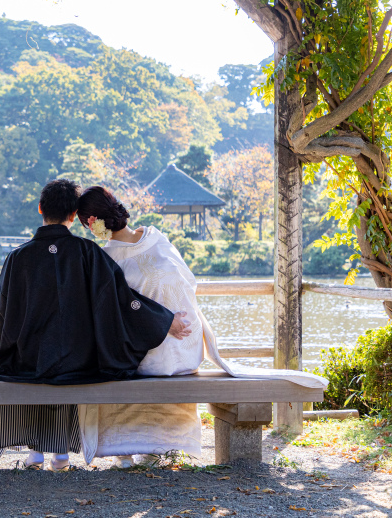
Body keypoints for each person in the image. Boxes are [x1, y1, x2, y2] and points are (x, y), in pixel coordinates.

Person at [74, 186, 328, 468]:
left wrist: (165, 323)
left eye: (85, 223)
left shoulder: (109, 257)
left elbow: (121, 311)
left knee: (114, 358)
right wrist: (173, 319)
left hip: (156, 351)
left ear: (92, 222)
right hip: (187, 344)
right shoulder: (154, 238)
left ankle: (127, 447)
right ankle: (155, 445)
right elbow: (185, 282)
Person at [0, 179, 192, 471]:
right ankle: (60, 454)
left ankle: (36, 452)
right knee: (70, 356)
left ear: (41, 208)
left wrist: (10, 351)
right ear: (73, 215)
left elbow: (6, 316)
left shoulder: (17, 257)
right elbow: (122, 300)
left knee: (32, 360)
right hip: (79, 363)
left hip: (26, 360)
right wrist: (164, 320)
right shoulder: (88, 252)